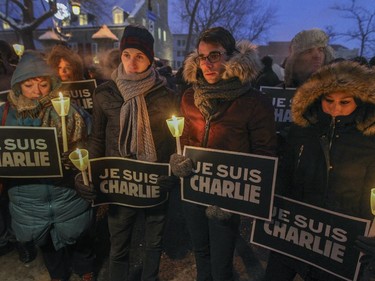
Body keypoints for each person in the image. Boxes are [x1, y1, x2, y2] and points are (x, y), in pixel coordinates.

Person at [170, 26, 277, 281]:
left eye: (214, 55)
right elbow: (182, 139)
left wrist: (237, 197)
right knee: (201, 254)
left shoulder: (253, 102)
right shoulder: (188, 97)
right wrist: (177, 161)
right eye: (202, 57)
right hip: (193, 191)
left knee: (221, 264)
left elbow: (265, 156)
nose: (207, 64)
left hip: (226, 198)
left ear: (231, 57)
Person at [74, 24, 178, 281]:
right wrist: (85, 172)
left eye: (139, 56)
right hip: (119, 184)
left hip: (154, 182)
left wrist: (172, 171)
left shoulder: (165, 95)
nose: (132, 62)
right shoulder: (104, 93)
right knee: (119, 245)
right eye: (126, 54)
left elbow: (175, 141)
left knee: (154, 243)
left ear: (150, 59)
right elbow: (98, 138)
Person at [263, 61, 375, 281]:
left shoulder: (369, 139)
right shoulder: (303, 128)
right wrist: (271, 206)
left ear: (360, 100)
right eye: (329, 100)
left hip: (342, 238)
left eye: (345, 102)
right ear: (317, 97)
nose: (335, 109)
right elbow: (285, 173)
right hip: (295, 228)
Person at [0, 50, 96, 281]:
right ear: (18, 86)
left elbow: (90, 145)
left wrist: (81, 168)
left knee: (79, 236)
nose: (36, 92)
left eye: (43, 84)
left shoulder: (69, 112)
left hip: (66, 194)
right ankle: (58, 274)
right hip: (28, 198)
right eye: (29, 85)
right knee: (47, 244)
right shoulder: (5, 116)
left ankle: (85, 269)